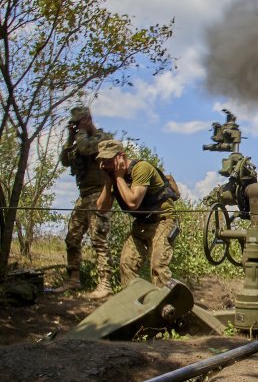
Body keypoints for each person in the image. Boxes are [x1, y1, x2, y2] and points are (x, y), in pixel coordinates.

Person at [96, 140, 178, 288]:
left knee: (158, 266)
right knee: (126, 263)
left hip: (163, 221)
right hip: (141, 224)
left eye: (109, 160)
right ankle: (135, 303)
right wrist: (108, 182)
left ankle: (166, 306)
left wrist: (119, 177)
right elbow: (102, 208)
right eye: (103, 161)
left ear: (121, 156)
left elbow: (133, 203)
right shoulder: (113, 177)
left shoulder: (141, 168)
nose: (106, 165)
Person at [56, 106, 113, 297]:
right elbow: (64, 160)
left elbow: (86, 148)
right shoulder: (78, 141)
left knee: (98, 238)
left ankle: (105, 284)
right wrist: (69, 138)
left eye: (79, 121)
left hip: (100, 193)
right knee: (72, 237)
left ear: (88, 119)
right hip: (84, 196)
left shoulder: (102, 139)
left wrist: (80, 133)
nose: (77, 126)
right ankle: (73, 280)